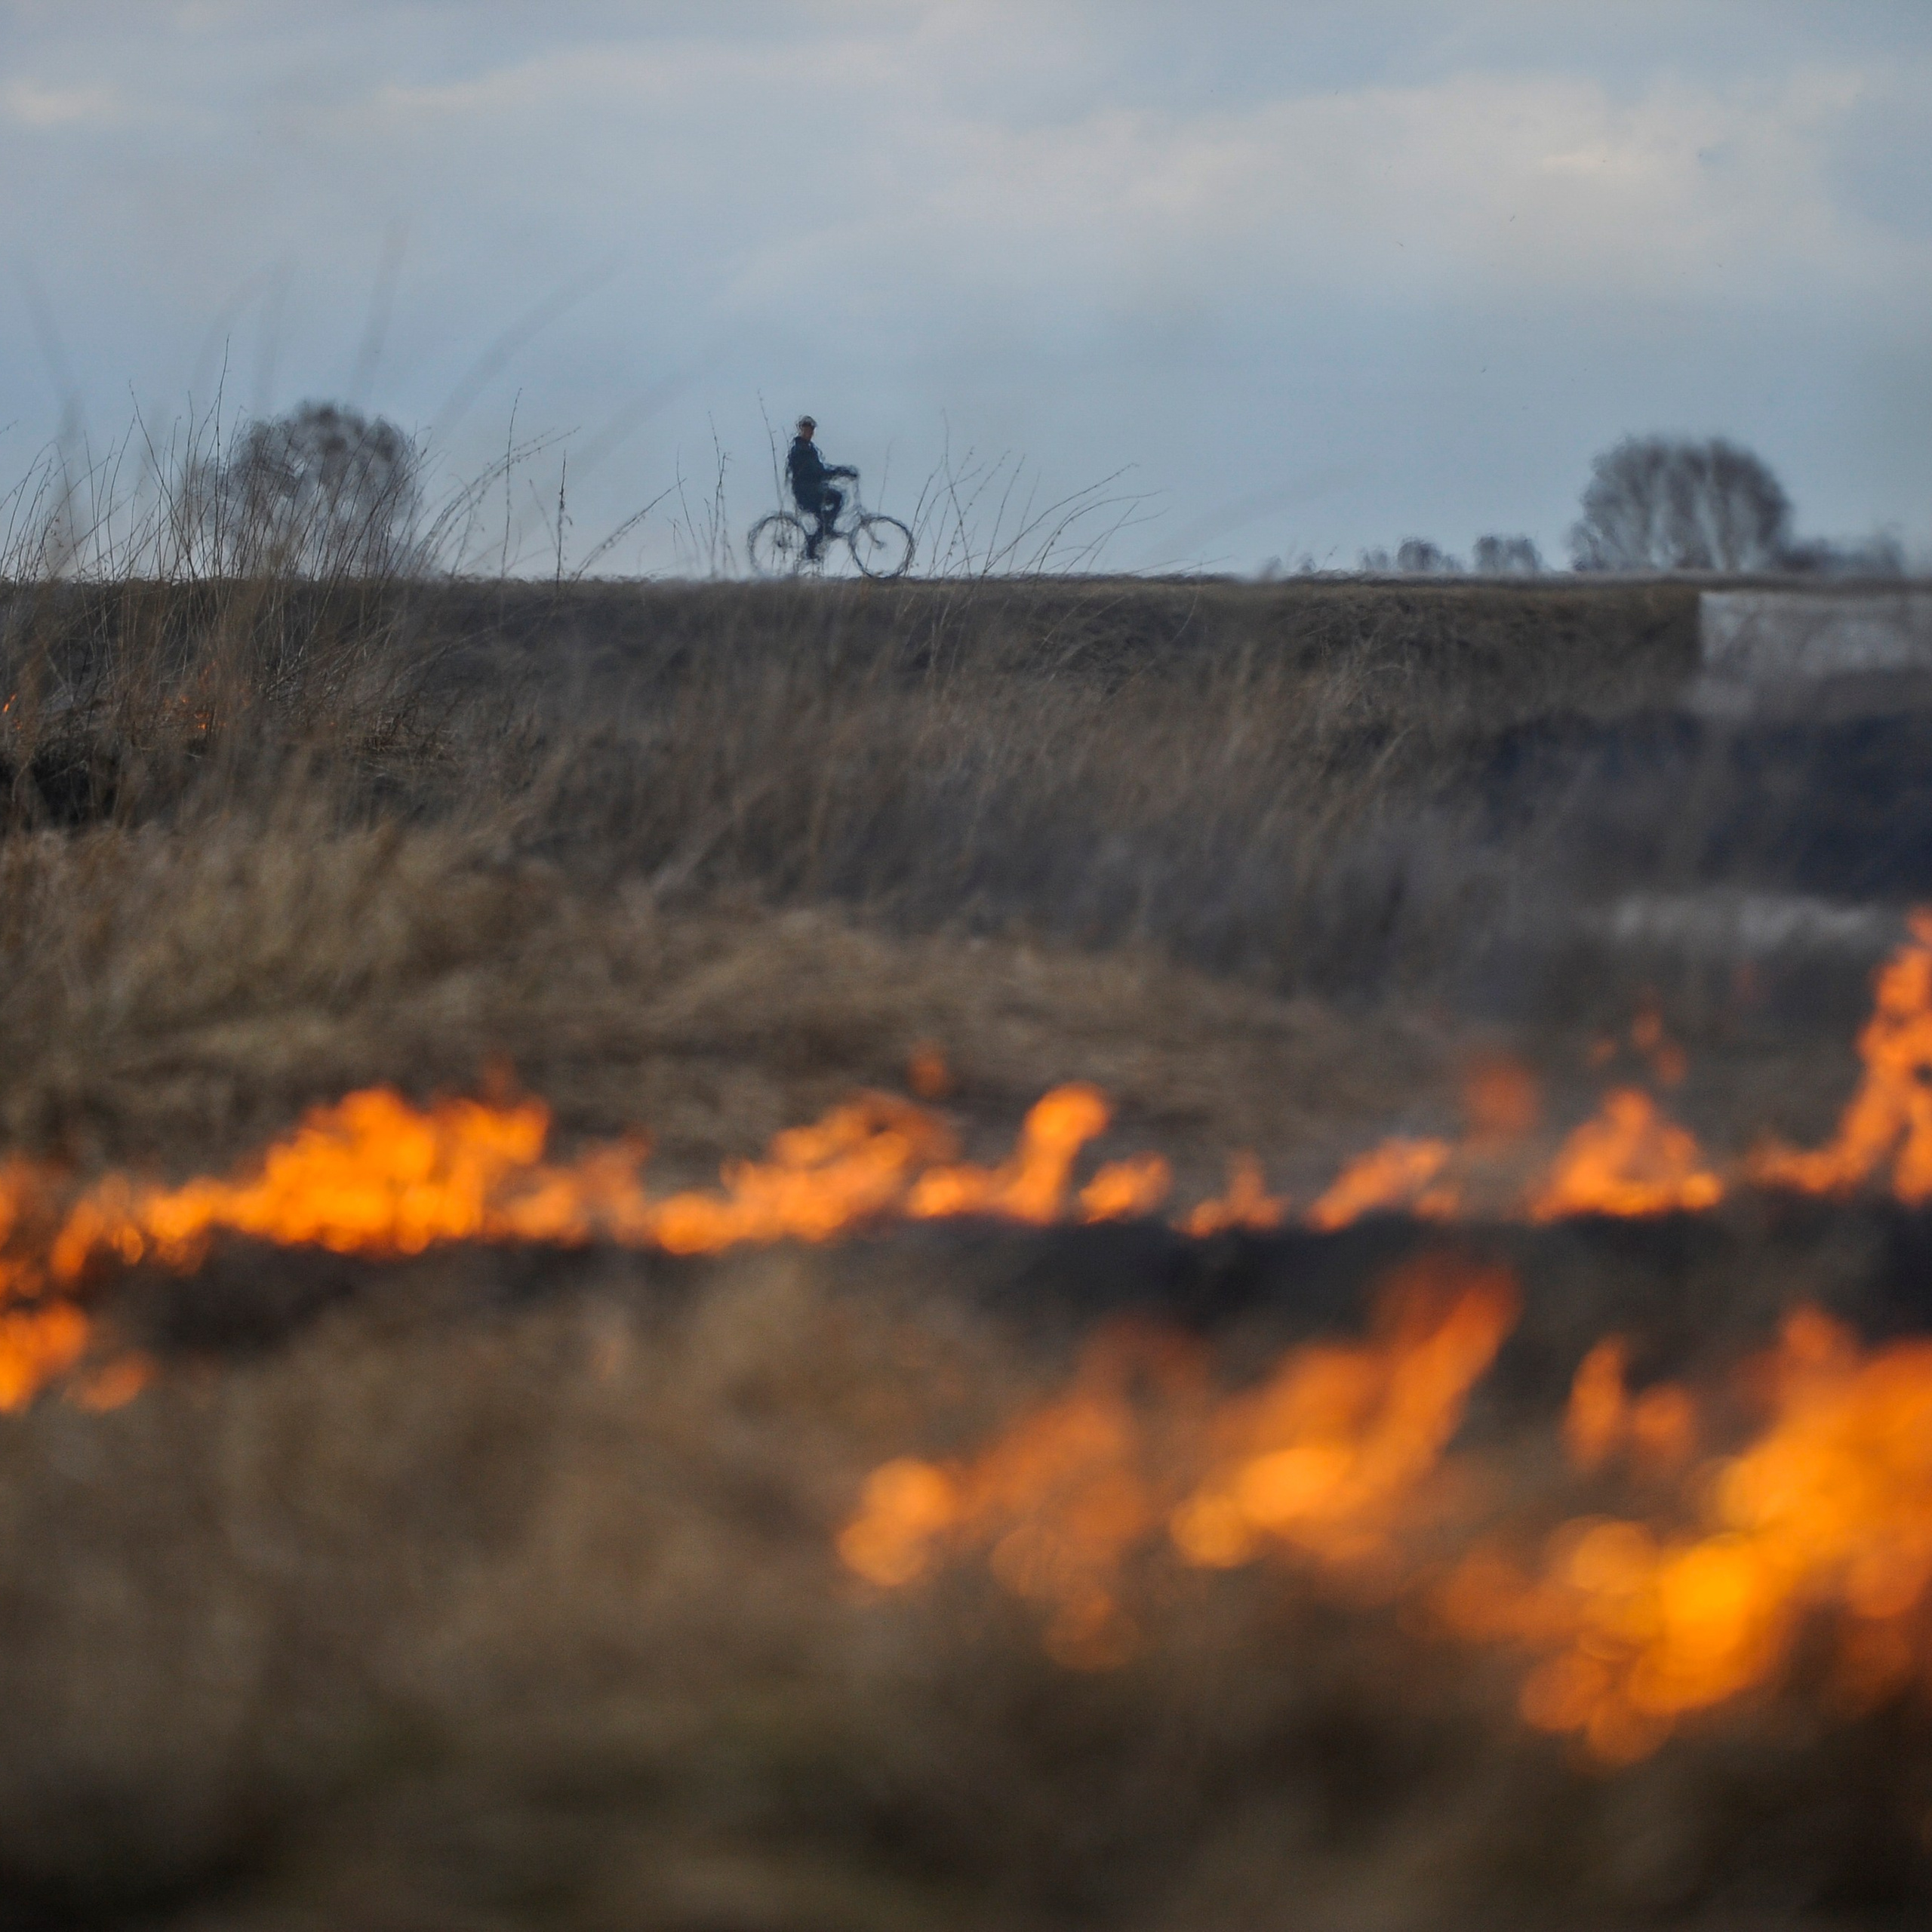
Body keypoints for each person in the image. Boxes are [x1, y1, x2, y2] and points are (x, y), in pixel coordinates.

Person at [786, 417, 856, 560]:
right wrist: (839, 473)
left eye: (811, 430)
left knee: (830, 508)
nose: (809, 433)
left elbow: (821, 471)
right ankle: (817, 540)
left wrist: (841, 472)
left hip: (813, 489)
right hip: (805, 491)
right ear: (801, 430)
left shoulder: (811, 450)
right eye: (806, 430)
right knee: (836, 498)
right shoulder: (799, 450)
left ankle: (815, 543)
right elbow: (815, 472)